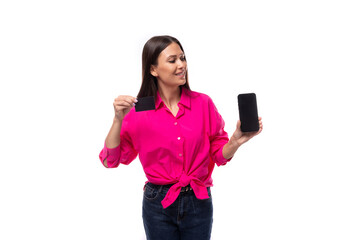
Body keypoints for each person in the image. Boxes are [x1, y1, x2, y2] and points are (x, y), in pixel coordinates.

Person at [99, 35, 263, 240]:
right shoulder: (138, 112)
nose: (181, 65)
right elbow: (110, 160)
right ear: (153, 69)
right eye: (172, 60)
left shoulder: (203, 104)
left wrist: (235, 141)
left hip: (198, 199)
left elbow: (218, 156)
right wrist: (117, 120)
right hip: (157, 202)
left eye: (183, 58)